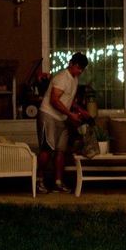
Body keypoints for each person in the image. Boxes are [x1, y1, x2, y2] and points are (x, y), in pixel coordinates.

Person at [36, 52, 92, 193]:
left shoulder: (75, 79)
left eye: (82, 69)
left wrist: (80, 110)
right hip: (48, 115)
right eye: (78, 67)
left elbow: (69, 99)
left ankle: (58, 183)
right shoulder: (62, 77)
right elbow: (54, 100)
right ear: (71, 63)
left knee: (61, 151)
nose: (79, 71)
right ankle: (38, 180)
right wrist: (71, 115)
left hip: (62, 118)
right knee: (47, 149)